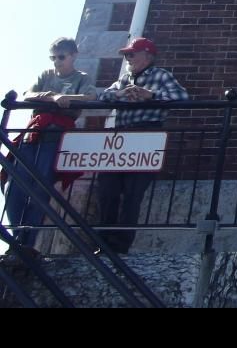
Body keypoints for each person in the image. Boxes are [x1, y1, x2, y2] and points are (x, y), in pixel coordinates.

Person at [2, 37, 96, 258]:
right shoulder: (46, 75)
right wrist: (53, 96)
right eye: (53, 57)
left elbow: (91, 96)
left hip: (57, 133)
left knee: (40, 187)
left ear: (73, 56)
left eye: (61, 57)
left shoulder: (81, 78)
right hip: (34, 132)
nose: (57, 62)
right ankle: (17, 237)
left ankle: (28, 240)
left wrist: (67, 98)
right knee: (13, 185)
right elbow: (28, 94)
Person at [94, 37, 188, 254]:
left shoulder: (160, 75)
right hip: (121, 138)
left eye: (132, 54)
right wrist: (120, 94)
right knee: (107, 190)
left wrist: (150, 95)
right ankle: (103, 242)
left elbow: (181, 97)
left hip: (147, 134)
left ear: (147, 55)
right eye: (127, 55)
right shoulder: (123, 80)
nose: (128, 58)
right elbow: (102, 97)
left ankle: (120, 244)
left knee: (132, 193)